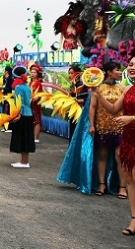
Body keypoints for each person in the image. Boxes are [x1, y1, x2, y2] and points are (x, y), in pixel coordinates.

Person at [93, 55, 135, 235]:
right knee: (131, 181)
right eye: (130, 64)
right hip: (128, 140)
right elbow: (112, 109)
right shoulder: (128, 90)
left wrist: (131, 118)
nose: (131, 67)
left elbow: (125, 116)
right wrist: (98, 94)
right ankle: (134, 220)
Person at [89, 61, 127, 197]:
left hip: (119, 127)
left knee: (119, 157)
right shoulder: (97, 89)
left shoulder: (123, 88)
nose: (120, 72)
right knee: (102, 155)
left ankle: (122, 187)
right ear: (109, 72)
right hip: (102, 126)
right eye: (117, 70)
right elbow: (92, 107)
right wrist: (92, 125)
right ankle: (101, 184)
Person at [8, 67, 35, 168]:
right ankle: (24, 161)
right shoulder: (27, 86)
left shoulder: (18, 87)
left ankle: (24, 162)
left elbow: (19, 102)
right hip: (28, 114)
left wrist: (18, 114)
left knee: (22, 138)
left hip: (22, 115)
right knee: (27, 138)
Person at [68, 65, 89, 143]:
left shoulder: (82, 85)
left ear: (77, 74)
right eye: (69, 73)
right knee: (73, 131)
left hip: (80, 111)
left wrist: (74, 100)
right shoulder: (73, 85)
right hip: (73, 111)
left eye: (72, 73)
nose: (70, 75)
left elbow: (86, 99)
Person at [29, 64, 44, 143]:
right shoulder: (30, 82)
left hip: (35, 104)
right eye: (31, 72)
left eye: (34, 72)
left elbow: (39, 95)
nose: (32, 74)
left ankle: (36, 138)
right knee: (32, 120)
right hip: (30, 104)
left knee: (37, 120)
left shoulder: (38, 83)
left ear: (37, 73)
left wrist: (33, 99)